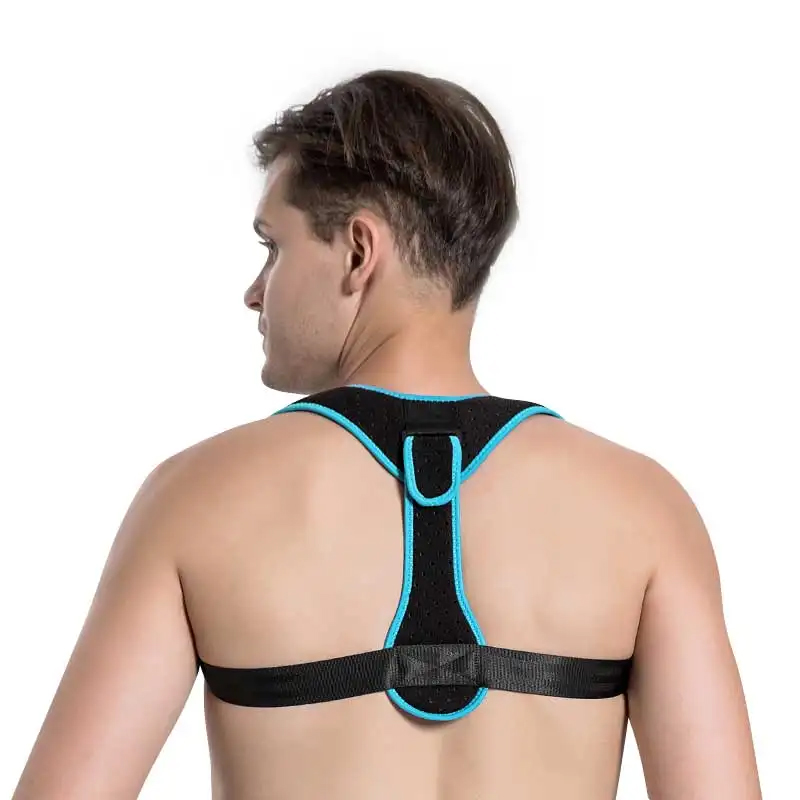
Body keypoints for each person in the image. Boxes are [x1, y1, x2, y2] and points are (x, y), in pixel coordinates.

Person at [12, 68, 761, 799]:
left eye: (273, 247)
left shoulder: (195, 499)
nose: (255, 292)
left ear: (358, 251)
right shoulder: (644, 509)